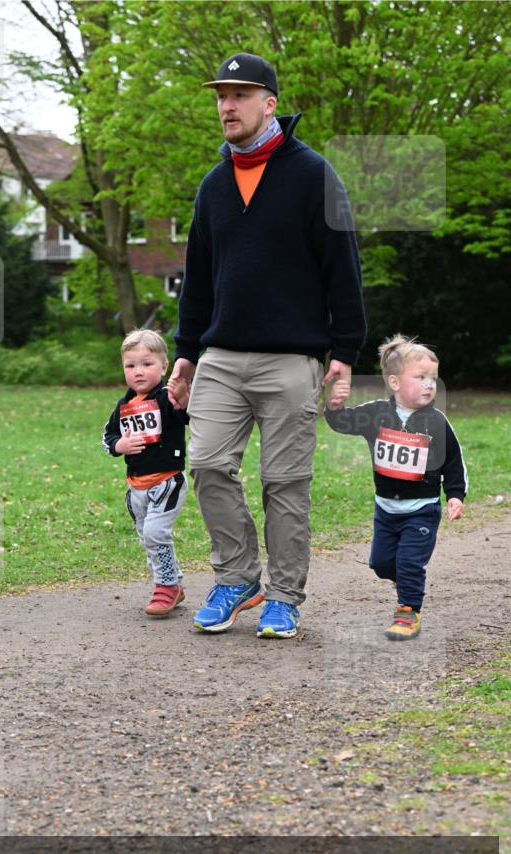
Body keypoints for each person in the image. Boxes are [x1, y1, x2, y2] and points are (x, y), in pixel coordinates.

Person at [168, 52, 366, 638]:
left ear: (269, 103)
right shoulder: (213, 184)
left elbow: (342, 267)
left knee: (284, 483)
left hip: (291, 358)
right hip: (222, 357)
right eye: (221, 96)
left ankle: (283, 596)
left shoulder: (311, 174)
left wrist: (346, 352)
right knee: (206, 463)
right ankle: (237, 577)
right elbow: (197, 276)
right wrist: (185, 351)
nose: (227, 106)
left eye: (240, 95)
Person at [325, 334, 467, 639]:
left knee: (408, 562)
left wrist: (455, 495)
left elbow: (454, 462)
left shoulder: (437, 422)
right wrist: (334, 406)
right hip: (386, 509)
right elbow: (341, 423)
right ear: (394, 382)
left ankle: (407, 612)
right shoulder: (376, 413)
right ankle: (404, 579)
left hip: (422, 509)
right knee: (381, 564)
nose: (430, 384)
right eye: (420, 377)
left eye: (433, 378)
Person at [103, 329, 190, 616]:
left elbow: (185, 415)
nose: (138, 371)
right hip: (136, 486)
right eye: (130, 365)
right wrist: (120, 445)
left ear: (164, 366)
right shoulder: (124, 405)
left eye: (147, 364)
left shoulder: (167, 397)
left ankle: (165, 586)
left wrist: (184, 398)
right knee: (147, 536)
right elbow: (109, 436)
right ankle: (173, 583)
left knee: (155, 532)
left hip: (167, 480)